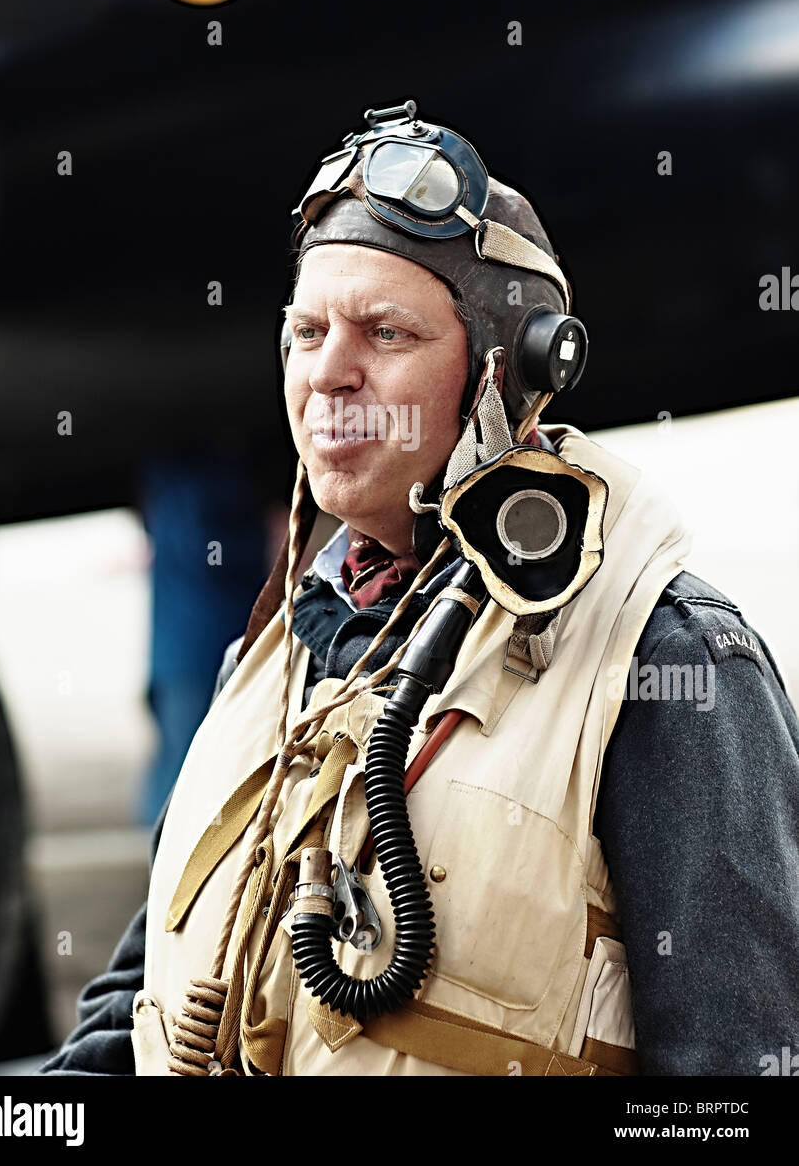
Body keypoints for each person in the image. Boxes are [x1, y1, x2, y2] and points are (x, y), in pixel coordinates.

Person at [40, 101, 799, 1078]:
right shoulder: (276, 655)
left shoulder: (661, 662)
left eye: (384, 332)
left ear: (510, 374)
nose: (329, 373)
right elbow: (141, 992)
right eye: (306, 330)